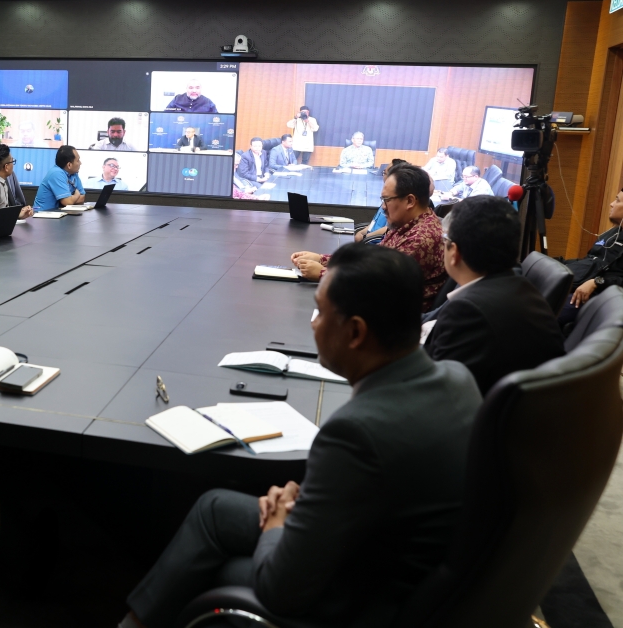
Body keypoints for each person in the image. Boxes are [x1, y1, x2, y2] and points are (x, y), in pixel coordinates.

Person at [120, 243, 482, 628]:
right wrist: (309, 498)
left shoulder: (357, 430)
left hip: (364, 597)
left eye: (321, 312)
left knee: (225, 569)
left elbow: (280, 589)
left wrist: (278, 520)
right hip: (393, 553)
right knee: (214, 510)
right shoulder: (458, 378)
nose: (313, 323)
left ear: (356, 331)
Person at [424, 196, 565, 395]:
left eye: (444, 241)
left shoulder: (469, 311)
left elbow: (437, 393)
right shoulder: (518, 285)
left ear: (454, 252)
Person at [293, 164, 446, 311]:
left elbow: (376, 286)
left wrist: (323, 274)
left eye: (387, 200)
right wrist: (323, 259)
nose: (384, 207)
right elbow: (371, 263)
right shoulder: (407, 225)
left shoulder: (421, 239)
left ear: (410, 201)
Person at [560, 188, 623, 323]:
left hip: (597, 297)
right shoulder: (612, 233)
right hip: (575, 285)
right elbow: (589, 261)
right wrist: (559, 264)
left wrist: (598, 282)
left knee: (541, 313)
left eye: (617, 200)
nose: (611, 204)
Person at [33, 145, 85, 212]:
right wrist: (76, 195)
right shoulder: (56, 173)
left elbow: (82, 198)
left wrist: (72, 199)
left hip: (58, 215)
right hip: (42, 216)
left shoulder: (73, 173)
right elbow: (67, 202)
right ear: (69, 165)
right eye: (78, 160)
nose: (80, 163)